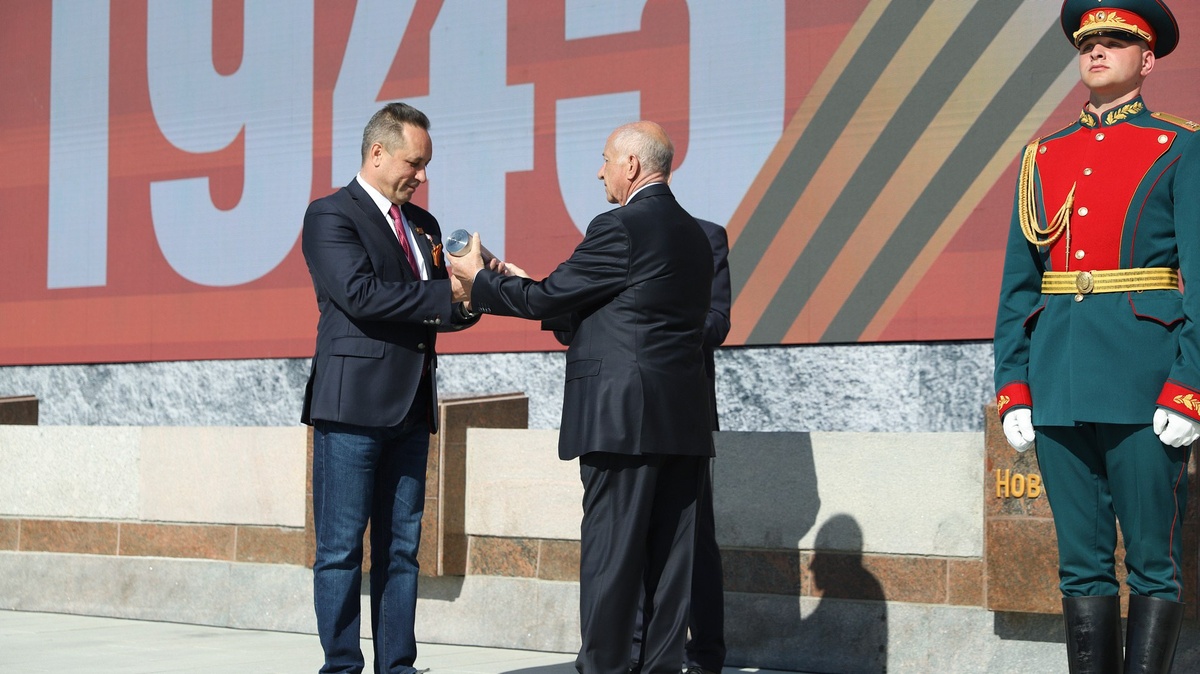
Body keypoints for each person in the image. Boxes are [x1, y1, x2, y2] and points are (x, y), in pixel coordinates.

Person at [450, 121, 715, 674]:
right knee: (671, 566)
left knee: (611, 560)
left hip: (622, 422)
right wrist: (529, 286)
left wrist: (480, 281)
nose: (600, 171)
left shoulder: (619, 225)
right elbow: (619, 310)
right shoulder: (695, 234)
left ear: (632, 166)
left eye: (605, 160)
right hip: (681, 423)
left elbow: (548, 298)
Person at [993, 2, 1199, 672]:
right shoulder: (1043, 156)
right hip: (1058, 381)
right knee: (1079, 564)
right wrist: (1014, 384)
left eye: (1115, 41)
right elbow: (1019, 286)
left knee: (1152, 563)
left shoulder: (1181, 146)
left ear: (1149, 59)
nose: (1098, 51)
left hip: (1144, 381)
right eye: (1089, 43)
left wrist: (1189, 385)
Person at [301, 102, 486, 674]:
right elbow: (361, 295)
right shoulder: (331, 215)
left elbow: (440, 308)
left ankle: (397, 667)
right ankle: (341, 666)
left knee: (401, 550)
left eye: (426, 165)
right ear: (377, 153)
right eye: (414, 163)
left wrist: (478, 293)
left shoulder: (424, 224)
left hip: (410, 408)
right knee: (340, 550)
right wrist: (450, 295)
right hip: (351, 408)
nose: (422, 176)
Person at [629, 217, 730, 674]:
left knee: (695, 537)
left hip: (685, 411)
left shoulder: (706, 236)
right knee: (630, 534)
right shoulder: (615, 232)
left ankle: (705, 655)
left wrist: (655, 324)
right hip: (629, 411)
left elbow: (717, 321)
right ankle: (636, 651)